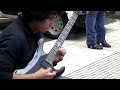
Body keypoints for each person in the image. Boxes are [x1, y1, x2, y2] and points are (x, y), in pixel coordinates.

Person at [0, 11, 66, 79]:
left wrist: (51, 60)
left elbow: (31, 61)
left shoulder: (35, 28)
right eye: (50, 19)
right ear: (37, 15)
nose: (52, 24)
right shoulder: (13, 39)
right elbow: (2, 75)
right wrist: (35, 77)